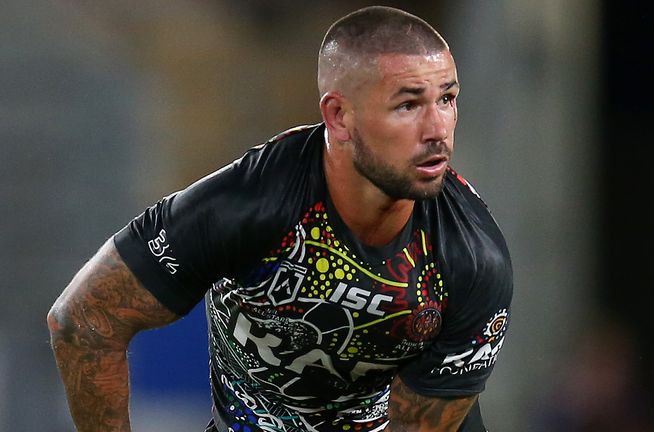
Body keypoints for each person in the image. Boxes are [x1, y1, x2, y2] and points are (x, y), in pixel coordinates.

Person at [48, 6, 513, 432]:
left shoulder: (471, 258)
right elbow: (83, 320)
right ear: (339, 116)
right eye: (408, 104)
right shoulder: (245, 203)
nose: (438, 130)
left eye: (447, 99)